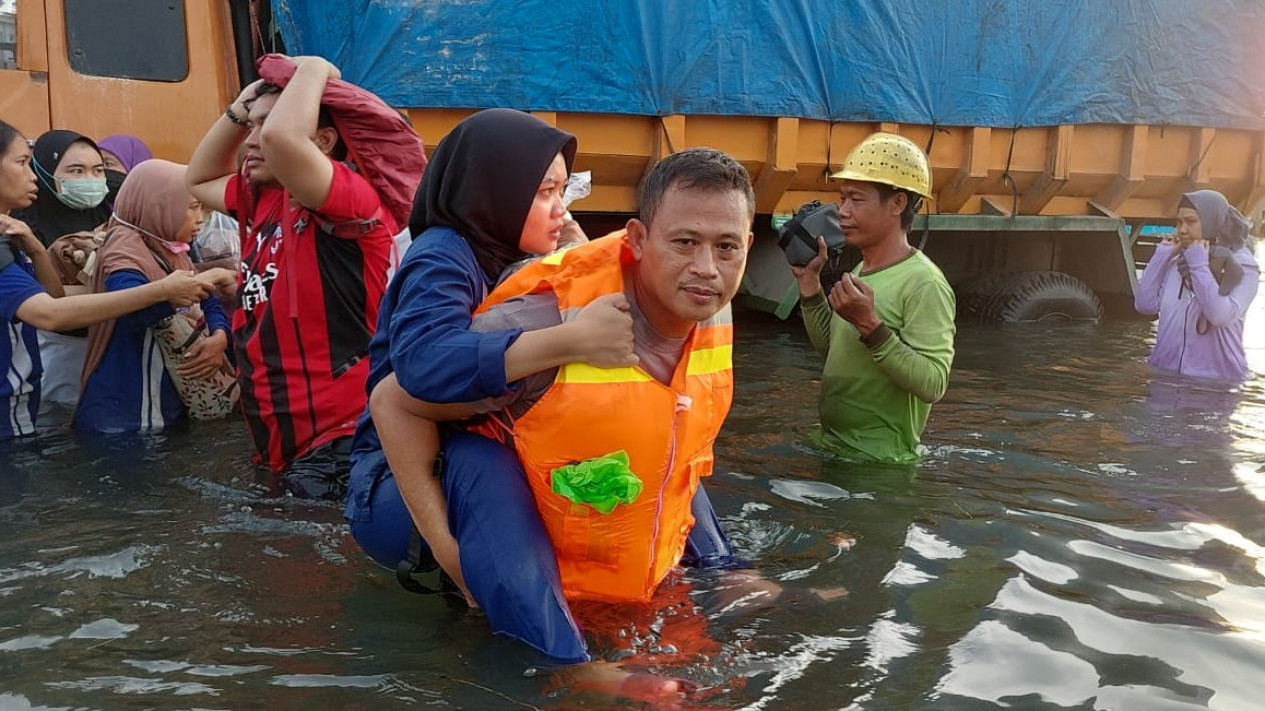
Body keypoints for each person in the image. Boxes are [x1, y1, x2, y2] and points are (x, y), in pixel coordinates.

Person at [347, 148, 756, 680]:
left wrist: (722, 566)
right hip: (447, 495)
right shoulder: (546, 318)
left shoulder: (710, 303)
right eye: (684, 242)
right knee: (481, 461)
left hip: (585, 510)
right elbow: (394, 399)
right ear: (636, 240)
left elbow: (679, 443)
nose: (706, 268)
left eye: (726, 247)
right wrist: (451, 556)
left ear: (747, 247)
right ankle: (567, 666)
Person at [187, 55, 397, 499]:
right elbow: (198, 177)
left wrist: (315, 68)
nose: (254, 140)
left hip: (342, 434)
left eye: (268, 125)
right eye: (251, 127)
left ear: (324, 141)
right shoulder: (261, 198)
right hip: (280, 438)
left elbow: (285, 141)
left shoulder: (350, 198)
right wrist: (239, 107)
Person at [0, 119, 214, 439]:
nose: (31, 175)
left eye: (99, 169)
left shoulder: (16, 235)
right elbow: (49, 314)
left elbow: (53, 299)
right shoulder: (126, 249)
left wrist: (38, 251)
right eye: (21, 163)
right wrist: (163, 291)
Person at [791, 132, 956, 464]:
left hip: (880, 467)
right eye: (843, 199)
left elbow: (933, 383)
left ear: (897, 203)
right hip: (833, 447)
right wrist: (809, 283)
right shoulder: (864, 267)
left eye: (856, 199)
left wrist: (870, 325)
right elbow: (834, 349)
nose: (843, 212)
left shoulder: (924, 282)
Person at [74, 160, 234, 434]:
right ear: (159, 206)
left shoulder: (170, 246)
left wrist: (220, 336)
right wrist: (178, 292)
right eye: (192, 208)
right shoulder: (124, 252)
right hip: (125, 408)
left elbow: (208, 300)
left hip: (167, 395)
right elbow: (130, 309)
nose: (201, 219)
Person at [1134, 190, 1259, 383]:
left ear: (1212, 221)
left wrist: (1198, 264)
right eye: (1179, 222)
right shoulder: (1177, 260)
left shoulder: (1243, 267)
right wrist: (1162, 255)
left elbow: (1219, 315)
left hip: (1215, 385)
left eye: (1191, 222)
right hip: (1164, 377)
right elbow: (1145, 305)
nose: (1182, 230)